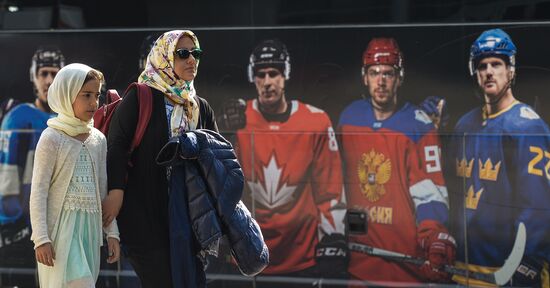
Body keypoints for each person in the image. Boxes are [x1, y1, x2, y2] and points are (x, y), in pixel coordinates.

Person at [218, 39, 347, 285]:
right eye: (261, 74)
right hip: (247, 256)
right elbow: (221, 182)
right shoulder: (237, 119)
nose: (267, 82)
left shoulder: (316, 122)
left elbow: (330, 191)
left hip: (301, 259)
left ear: (285, 75)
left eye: (274, 73)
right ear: (252, 77)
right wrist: (224, 133)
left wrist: (333, 240)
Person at [102, 30, 218, 288]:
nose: (192, 60)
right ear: (164, 56)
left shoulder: (200, 107)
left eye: (195, 53)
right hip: (144, 220)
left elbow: (215, 159)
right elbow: (117, 146)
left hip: (187, 222)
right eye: (183, 53)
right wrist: (116, 192)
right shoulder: (141, 96)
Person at [337, 37, 455, 284]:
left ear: (399, 78)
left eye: (388, 73)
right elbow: (335, 183)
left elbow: (430, 194)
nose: (381, 81)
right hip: (358, 266)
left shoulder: (419, 125)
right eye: (374, 72)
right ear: (364, 77)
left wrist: (433, 236)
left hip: (405, 270)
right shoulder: (349, 118)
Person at [447, 28, 550, 287]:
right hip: (462, 269)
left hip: (505, 272)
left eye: (497, 63)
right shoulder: (464, 125)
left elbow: (539, 205)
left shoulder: (528, 127)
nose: (489, 71)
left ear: (511, 70)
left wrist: (529, 263)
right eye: (482, 65)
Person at [29, 63, 120, 287]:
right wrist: (41, 239)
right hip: (61, 229)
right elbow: (38, 191)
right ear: (66, 93)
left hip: (89, 228)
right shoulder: (51, 137)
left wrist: (112, 233)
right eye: (86, 95)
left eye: (96, 95)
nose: (93, 103)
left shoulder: (98, 139)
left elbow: (102, 188)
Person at [0, 46, 65, 285]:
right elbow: (7, 177)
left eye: (54, 73)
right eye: (43, 73)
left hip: (57, 227)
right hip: (24, 231)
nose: (49, 80)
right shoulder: (19, 117)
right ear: (33, 77)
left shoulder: (68, 119)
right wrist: (12, 225)